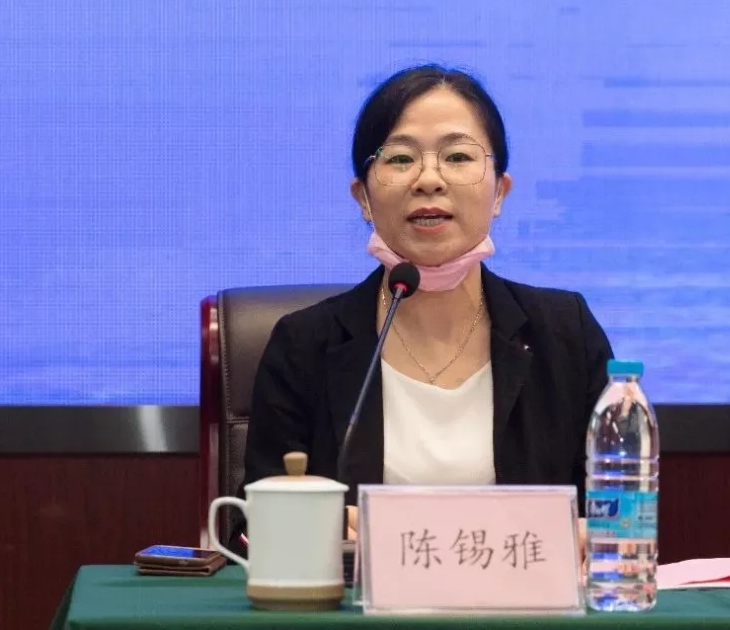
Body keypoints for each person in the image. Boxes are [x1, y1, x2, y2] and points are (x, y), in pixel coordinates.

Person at [228, 63, 613, 556]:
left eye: (458, 156)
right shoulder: (304, 345)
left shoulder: (565, 334)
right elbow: (255, 527)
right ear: (363, 197)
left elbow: (618, 518)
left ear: (500, 192)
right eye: (400, 158)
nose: (429, 179)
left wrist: (380, 527)